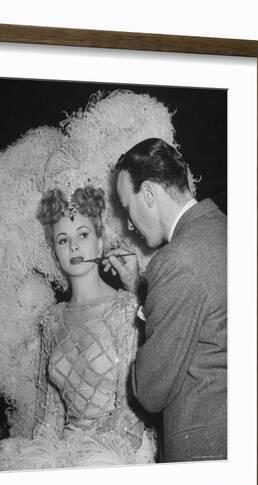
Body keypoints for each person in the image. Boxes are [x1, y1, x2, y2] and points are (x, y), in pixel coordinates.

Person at [105, 137, 227, 463]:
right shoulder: (226, 231)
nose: (129, 224)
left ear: (148, 194)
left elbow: (150, 391)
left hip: (206, 454)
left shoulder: (174, 260)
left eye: (128, 208)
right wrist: (138, 287)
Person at [31, 185, 156, 465]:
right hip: (65, 452)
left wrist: (84, 457)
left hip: (118, 453)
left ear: (99, 243)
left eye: (83, 235)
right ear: (55, 253)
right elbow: (48, 414)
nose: (74, 246)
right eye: (63, 240)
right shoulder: (52, 320)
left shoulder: (125, 309)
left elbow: (130, 412)